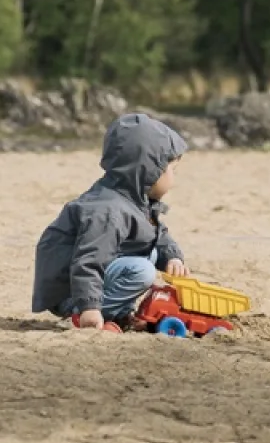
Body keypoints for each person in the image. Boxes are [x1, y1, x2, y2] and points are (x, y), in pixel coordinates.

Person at [31, 112, 191, 330]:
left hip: (96, 270)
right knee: (142, 271)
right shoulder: (108, 211)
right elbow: (89, 260)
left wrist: (172, 257)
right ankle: (85, 314)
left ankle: (119, 312)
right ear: (149, 170)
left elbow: (156, 233)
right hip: (69, 287)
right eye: (173, 170)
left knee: (151, 252)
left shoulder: (135, 199)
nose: (174, 178)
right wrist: (89, 308)